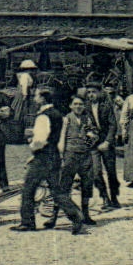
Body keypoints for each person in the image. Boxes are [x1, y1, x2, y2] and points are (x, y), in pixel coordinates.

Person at [13, 87, 85, 234]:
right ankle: (76, 215)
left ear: (43, 99)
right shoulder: (59, 115)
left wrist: (32, 145)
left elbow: (40, 140)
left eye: (37, 96)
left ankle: (27, 222)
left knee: (28, 188)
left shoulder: (42, 116)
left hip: (43, 157)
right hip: (54, 157)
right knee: (57, 191)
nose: (34, 99)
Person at [50, 92, 102, 228]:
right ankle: (53, 217)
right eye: (76, 104)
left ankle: (86, 214)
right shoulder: (66, 119)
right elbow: (61, 138)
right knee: (64, 186)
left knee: (87, 184)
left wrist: (93, 136)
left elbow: (95, 133)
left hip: (85, 155)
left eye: (81, 104)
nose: (78, 107)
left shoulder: (87, 119)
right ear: (70, 106)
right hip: (70, 155)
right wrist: (61, 156)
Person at [83, 79, 123, 209]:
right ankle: (104, 197)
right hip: (93, 143)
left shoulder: (107, 105)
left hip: (106, 142)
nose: (91, 95)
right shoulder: (86, 106)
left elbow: (113, 125)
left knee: (111, 171)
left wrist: (107, 141)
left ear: (100, 93)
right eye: (88, 92)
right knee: (95, 172)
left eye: (93, 92)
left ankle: (114, 197)